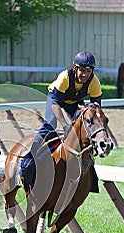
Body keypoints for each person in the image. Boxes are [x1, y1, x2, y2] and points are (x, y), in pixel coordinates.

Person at [19, 51, 102, 188]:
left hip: (74, 101)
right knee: (51, 123)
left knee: (85, 125)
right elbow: (56, 104)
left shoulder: (94, 82)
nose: (85, 75)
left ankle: (88, 160)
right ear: (75, 69)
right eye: (82, 70)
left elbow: (96, 109)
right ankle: (29, 158)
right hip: (56, 99)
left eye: (88, 71)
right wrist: (65, 125)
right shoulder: (64, 77)